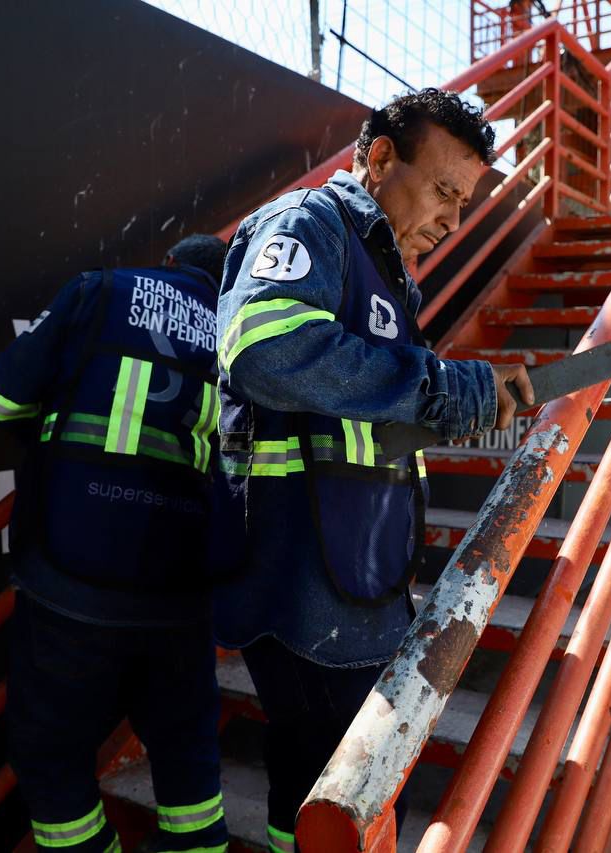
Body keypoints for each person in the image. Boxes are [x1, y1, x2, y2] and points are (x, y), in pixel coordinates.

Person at [211, 88, 533, 850]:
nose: (454, 221)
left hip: (354, 576)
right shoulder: (308, 226)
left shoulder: (388, 271)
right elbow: (266, 349)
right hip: (307, 589)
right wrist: (440, 385)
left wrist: (458, 402)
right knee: (366, 792)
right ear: (381, 158)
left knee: (314, 780)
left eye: (465, 203)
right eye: (446, 192)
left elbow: (359, 409)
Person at [0, 235, 230, 853]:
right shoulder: (241, 342)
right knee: (190, 769)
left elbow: (2, 400)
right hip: (182, 598)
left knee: (52, 759)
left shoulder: (100, 291)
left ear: (169, 263)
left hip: (71, 587)